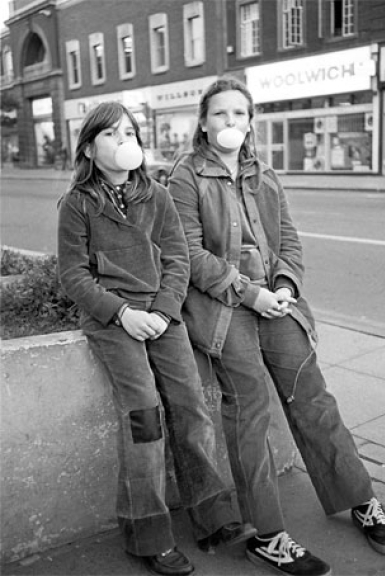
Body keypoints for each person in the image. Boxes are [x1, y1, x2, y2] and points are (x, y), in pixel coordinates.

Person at [168, 77, 385, 576]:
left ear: (249, 121)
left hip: (275, 303)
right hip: (225, 308)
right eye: (220, 114)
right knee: (248, 406)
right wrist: (248, 291)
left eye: (239, 114)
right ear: (204, 122)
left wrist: (285, 288)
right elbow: (188, 254)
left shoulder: (264, 174)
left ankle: (360, 499)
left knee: (314, 397)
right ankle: (268, 535)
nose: (231, 123)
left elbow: (290, 242)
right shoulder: (185, 177)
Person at [57, 101, 256, 576]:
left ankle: (214, 515)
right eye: (111, 134)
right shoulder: (77, 204)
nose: (124, 141)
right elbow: (73, 274)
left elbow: (177, 260)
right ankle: (146, 532)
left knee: (191, 407)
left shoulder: (157, 195)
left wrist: (164, 312)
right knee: (144, 416)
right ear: (89, 147)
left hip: (163, 319)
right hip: (113, 323)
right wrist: (121, 313)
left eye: (129, 132)